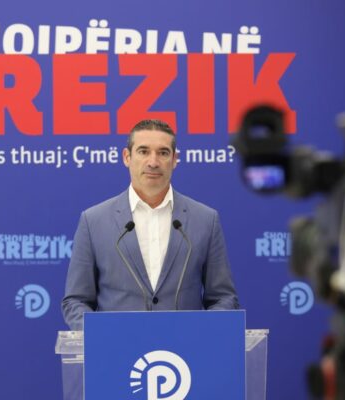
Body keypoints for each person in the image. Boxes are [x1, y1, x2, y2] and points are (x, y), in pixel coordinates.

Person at [62, 119, 239, 330]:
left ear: (175, 160)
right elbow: (76, 301)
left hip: (185, 348)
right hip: (118, 348)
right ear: (127, 157)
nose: (153, 162)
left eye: (163, 153)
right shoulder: (93, 221)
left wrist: (203, 334)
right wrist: (102, 337)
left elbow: (223, 298)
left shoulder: (205, 219)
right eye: (143, 151)